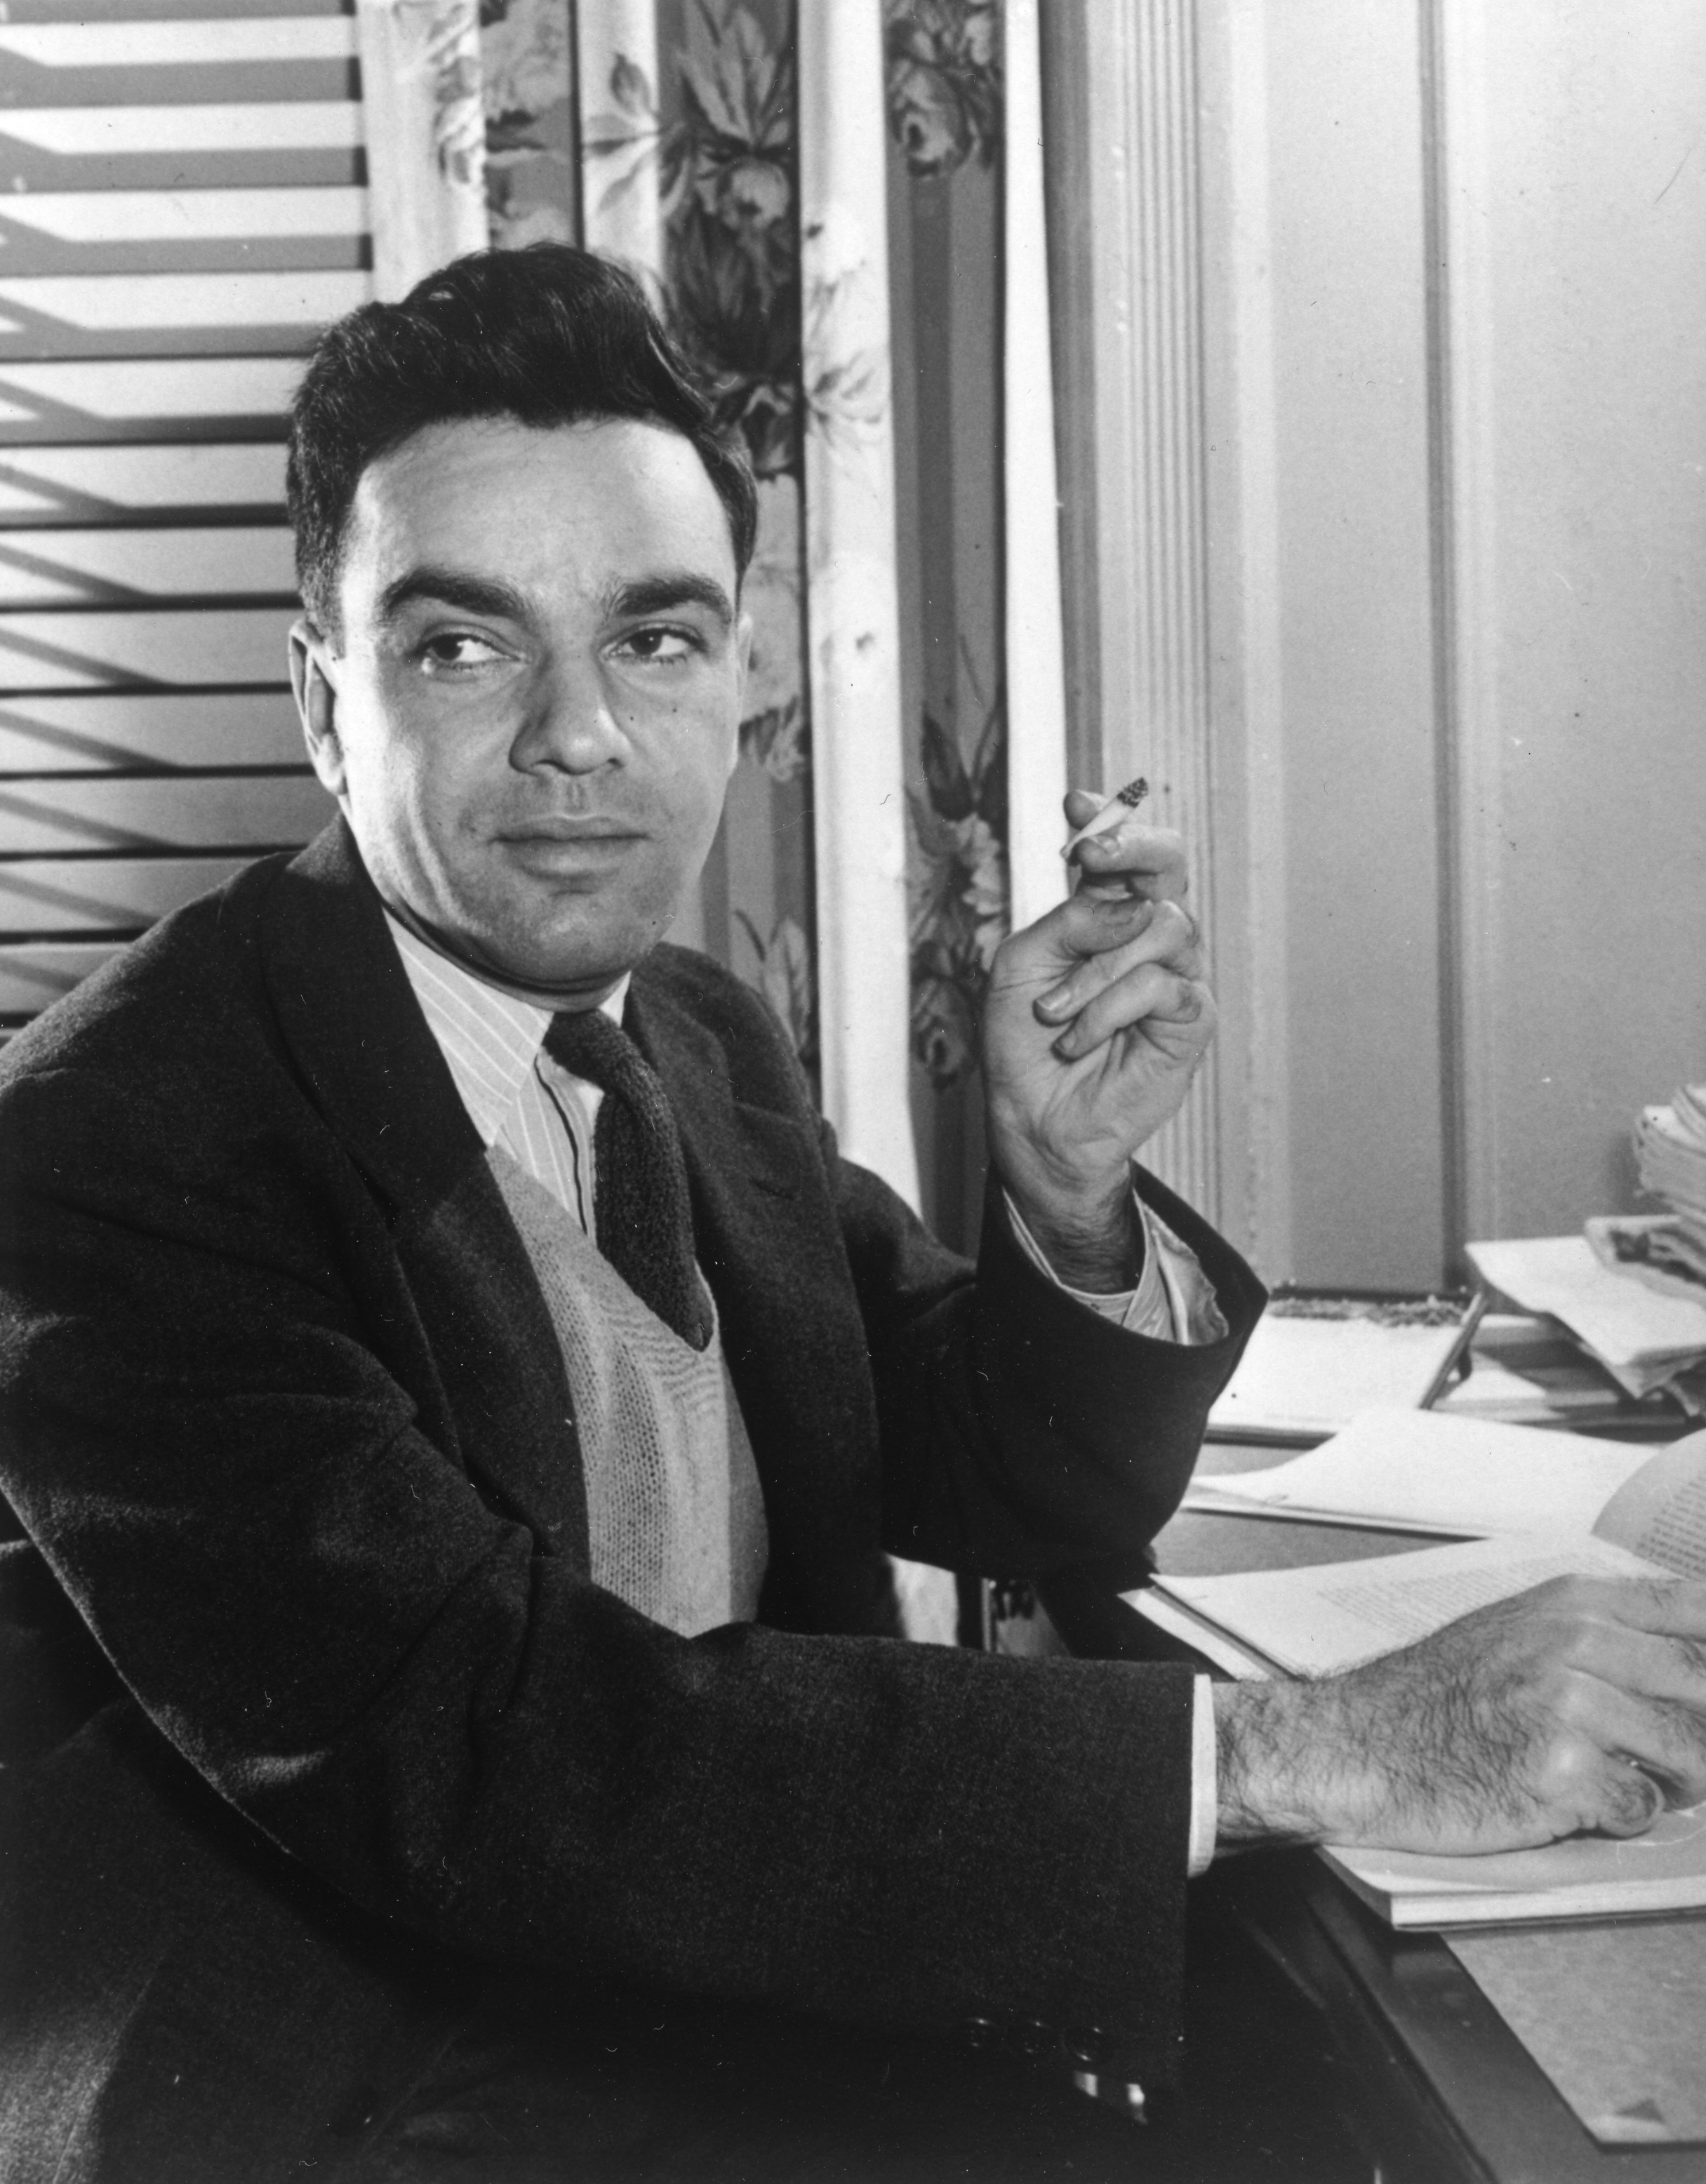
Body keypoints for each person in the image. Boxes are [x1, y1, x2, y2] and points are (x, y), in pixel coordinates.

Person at [1, 246, 1703, 2184]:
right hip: (367, 2083)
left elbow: (989, 1475)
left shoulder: (685, 1027)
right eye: (464, 647)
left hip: (736, 1986)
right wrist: (1317, 1748)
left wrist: (1064, 1196)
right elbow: (486, 1743)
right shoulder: (112, 1144)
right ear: (325, 702)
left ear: (746, 677)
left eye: (654, 639)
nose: (579, 735)